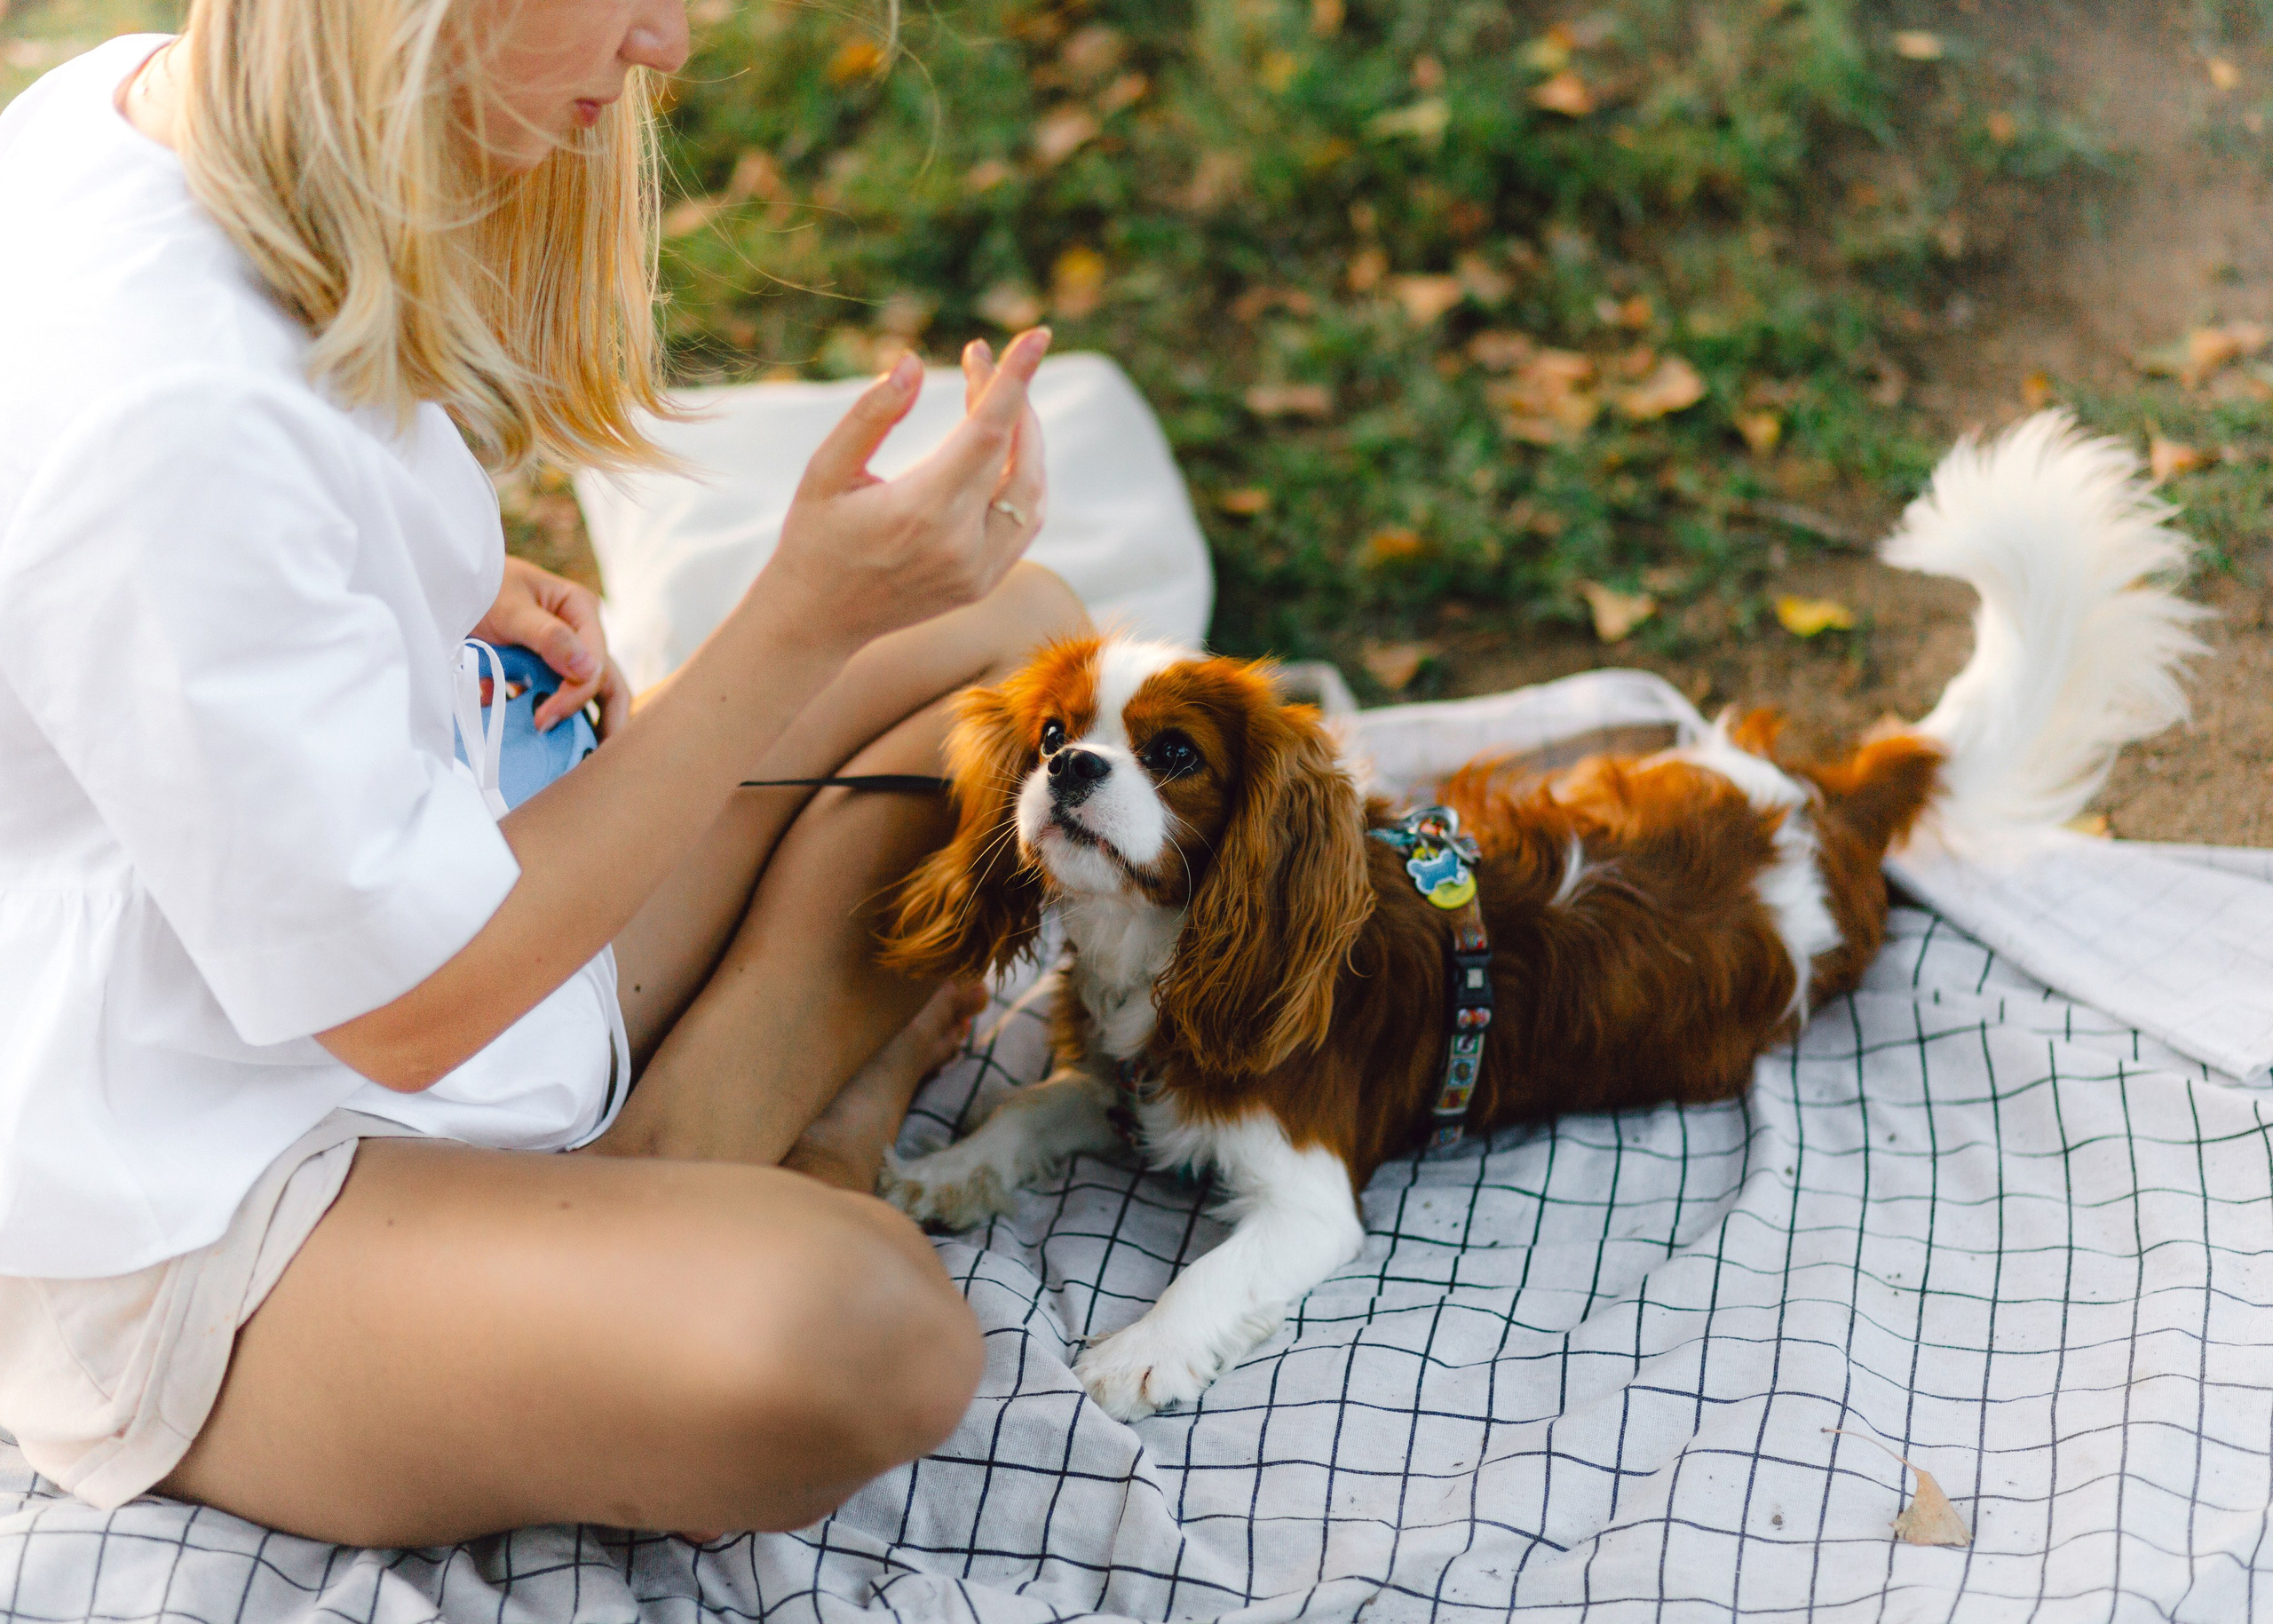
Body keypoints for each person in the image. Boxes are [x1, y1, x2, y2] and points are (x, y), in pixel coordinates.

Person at [0, 0, 1089, 1546]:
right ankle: (763, 1154)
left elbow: (150, 575)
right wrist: (794, 625)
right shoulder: (165, 418)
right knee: (867, 1336)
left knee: (1019, 632)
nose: (673, 36)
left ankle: (682, 1148)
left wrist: (442, 583)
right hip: (222, 1181)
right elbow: (408, 1009)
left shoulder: (137, 99)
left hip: (445, 927)